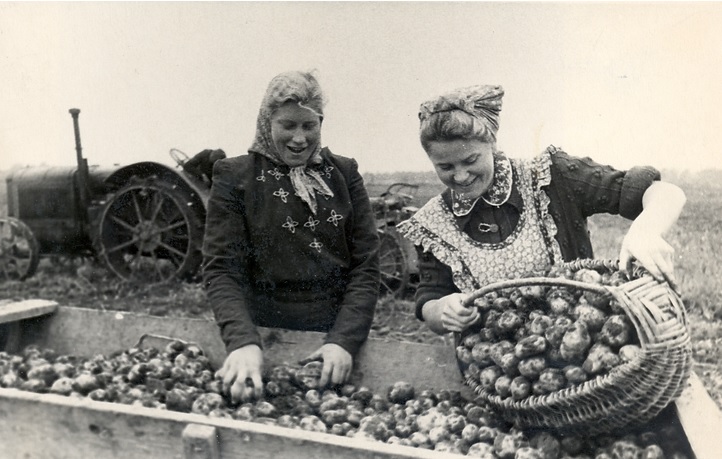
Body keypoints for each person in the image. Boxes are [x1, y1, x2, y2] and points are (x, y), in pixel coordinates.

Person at [397, 84, 686, 336]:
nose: (460, 176)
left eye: (471, 160)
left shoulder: (552, 177)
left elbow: (665, 193)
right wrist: (442, 310)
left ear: (491, 144)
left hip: (579, 357)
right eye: (445, 167)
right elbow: (430, 300)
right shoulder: (434, 223)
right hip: (500, 376)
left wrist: (646, 232)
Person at [202, 71, 380, 403]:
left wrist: (342, 341)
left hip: (330, 340)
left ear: (321, 124)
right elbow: (221, 269)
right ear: (266, 121)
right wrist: (243, 342)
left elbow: (366, 266)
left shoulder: (344, 174)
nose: (299, 139)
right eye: (288, 125)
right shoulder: (235, 176)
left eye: (309, 126)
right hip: (262, 338)